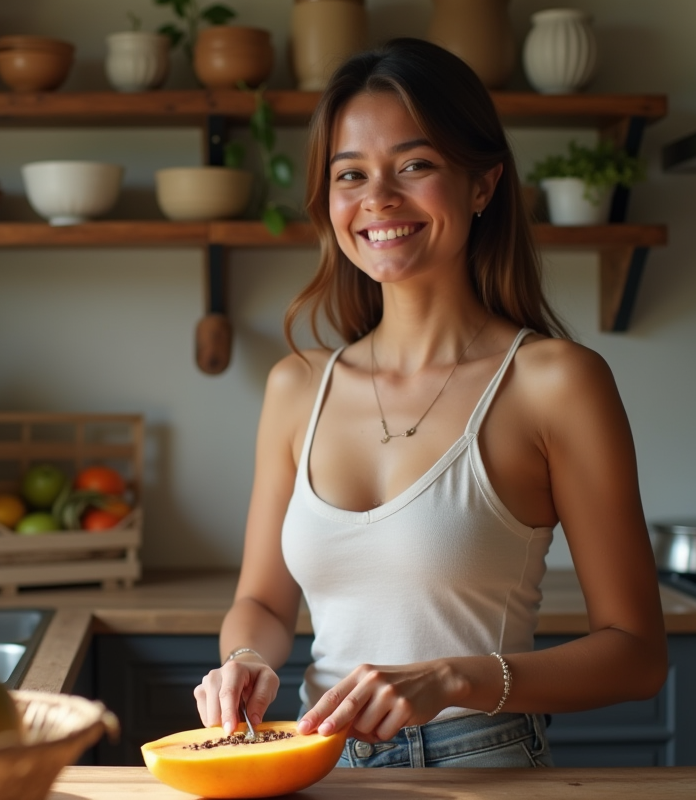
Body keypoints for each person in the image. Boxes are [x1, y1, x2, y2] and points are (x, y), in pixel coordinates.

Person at [193, 38, 669, 769]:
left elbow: (637, 655)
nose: (378, 199)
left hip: (480, 761)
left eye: (415, 166)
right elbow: (262, 601)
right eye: (351, 174)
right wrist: (247, 658)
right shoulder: (297, 387)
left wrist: (456, 677)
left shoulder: (556, 382)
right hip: (316, 763)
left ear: (482, 185)